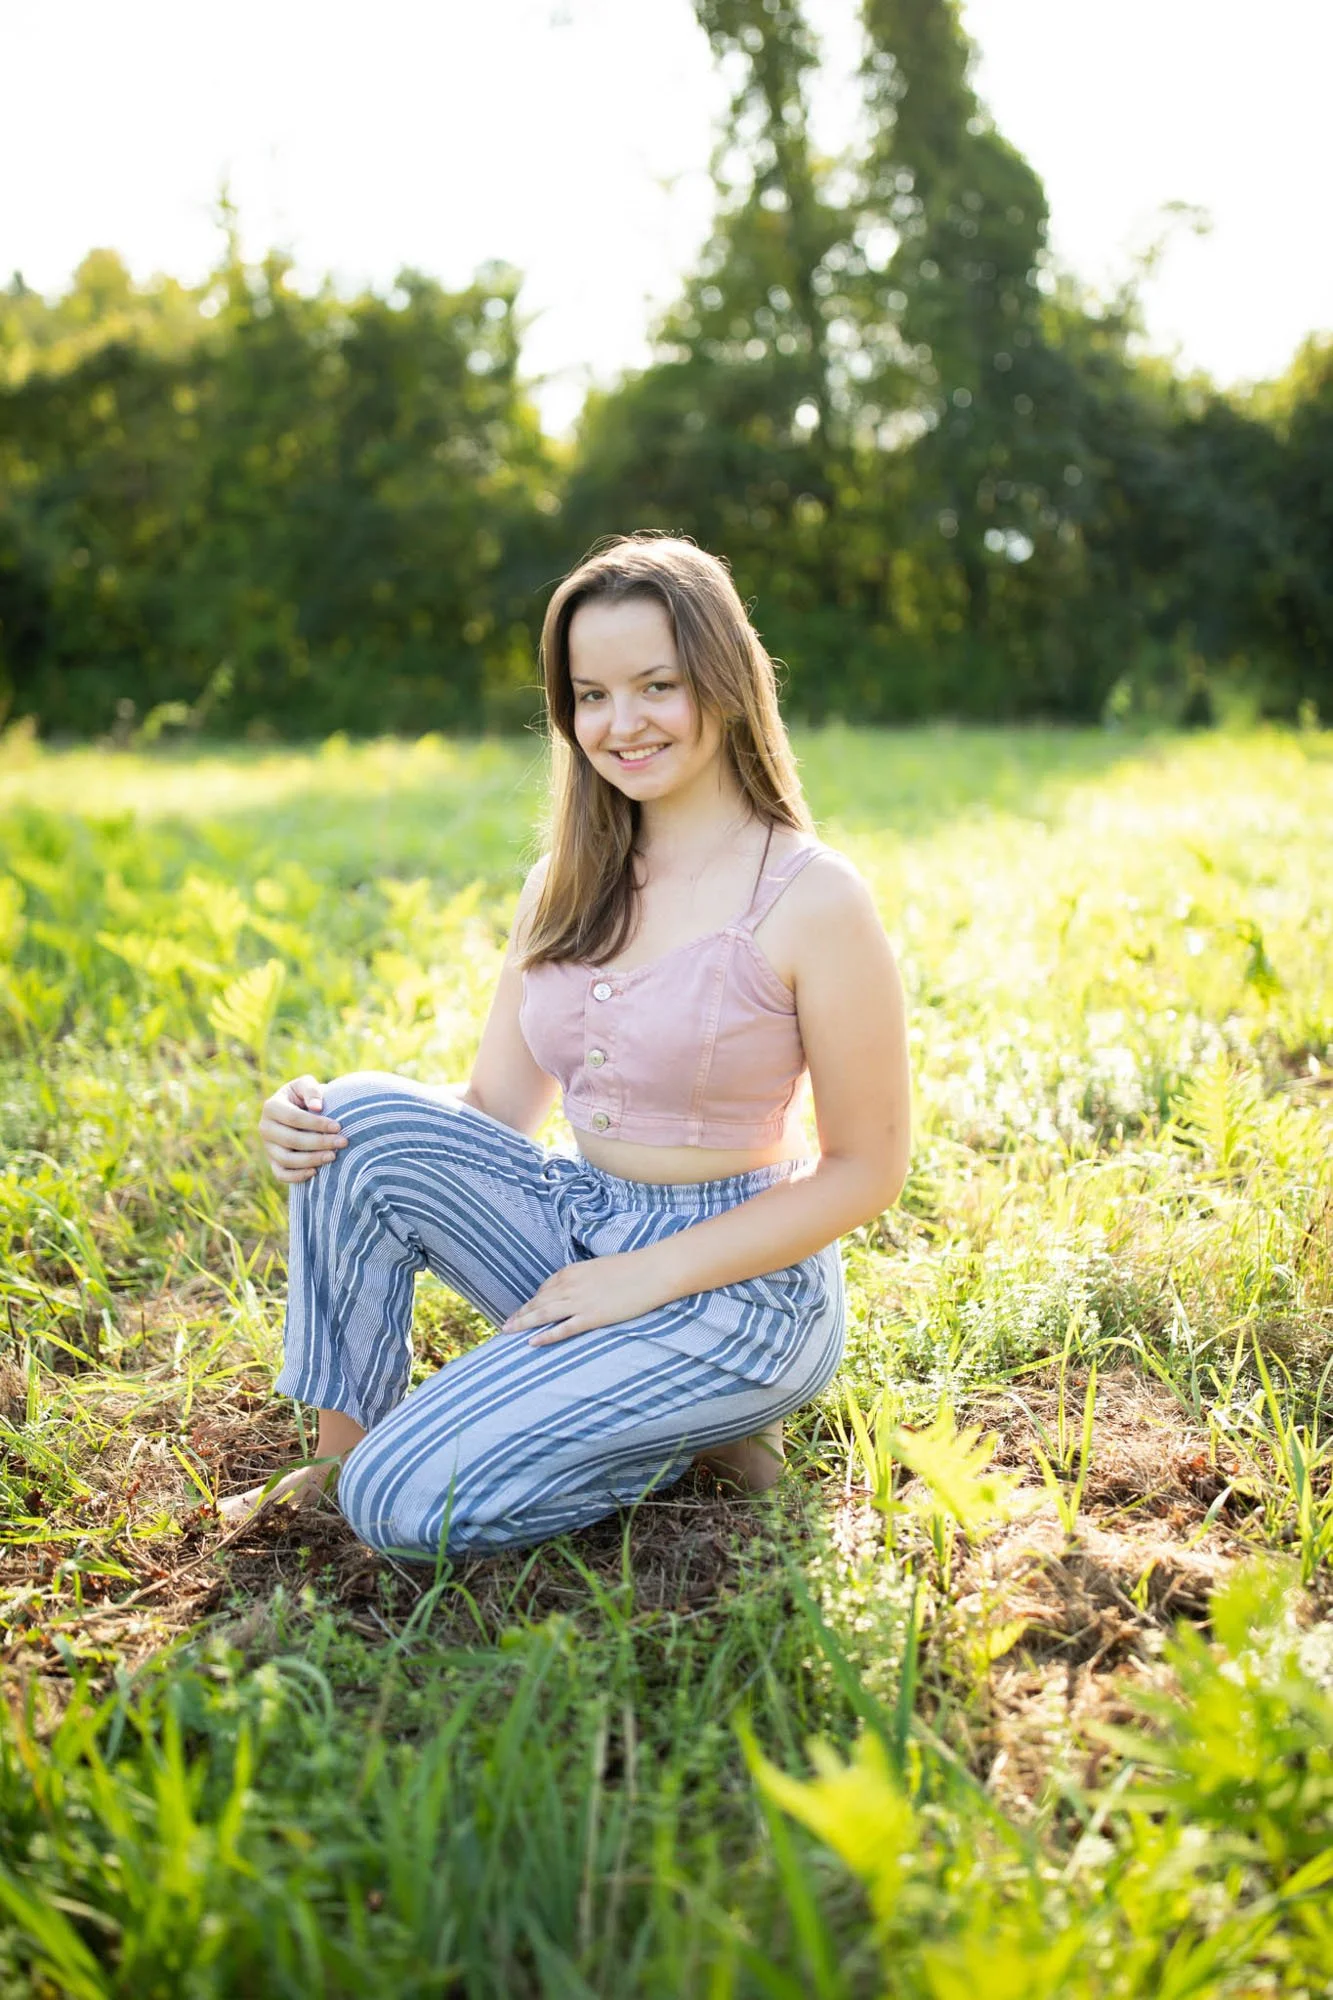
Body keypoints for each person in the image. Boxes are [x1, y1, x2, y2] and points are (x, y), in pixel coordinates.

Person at [221, 534, 911, 1558]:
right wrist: (307, 1125)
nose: (619, 723)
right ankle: (335, 1458)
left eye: (656, 685)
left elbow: (868, 1169)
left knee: (404, 1499)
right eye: (590, 694)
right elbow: (495, 1111)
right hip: (586, 1227)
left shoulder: (813, 895)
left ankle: (689, 1435)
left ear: (722, 681)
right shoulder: (564, 879)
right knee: (353, 1117)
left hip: (743, 1287)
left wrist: (649, 1276)